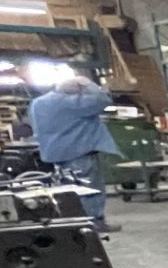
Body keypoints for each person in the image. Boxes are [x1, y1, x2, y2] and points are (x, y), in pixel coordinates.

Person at [28, 75, 119, 234]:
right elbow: (102, 101)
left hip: (55, 152)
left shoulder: (38, 103)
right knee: (88, 189)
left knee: (67, 190)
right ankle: (93, 223)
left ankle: (73, 222)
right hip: (78, 151)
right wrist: (89, 84)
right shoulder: (70, 103)